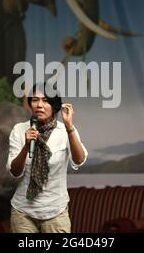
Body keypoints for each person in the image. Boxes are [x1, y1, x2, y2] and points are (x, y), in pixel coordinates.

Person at [6, 82, 88, 233]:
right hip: (23, 210)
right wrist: (26, 146)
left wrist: (70, 127)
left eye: (45, 100)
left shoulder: (65, 131)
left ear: (54, 105)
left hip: (55, 210)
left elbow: (79, 160)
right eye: (35, 100)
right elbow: (15, 171)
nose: (39, 105)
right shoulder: (19, 130)